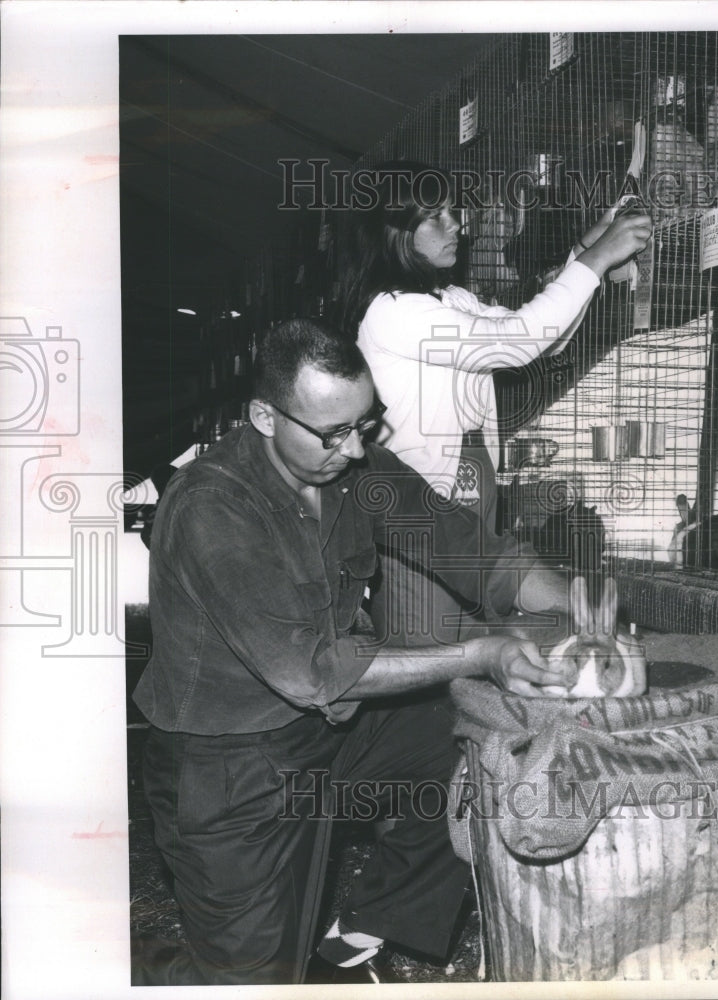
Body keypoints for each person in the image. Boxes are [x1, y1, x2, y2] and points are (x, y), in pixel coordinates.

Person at [131, 317, 578, 987]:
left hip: (326, 738)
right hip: (228, 769)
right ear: (263, 416)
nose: (356, 448)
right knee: (253, 979)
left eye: (365, 424)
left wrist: (575, 602)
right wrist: (481, 651)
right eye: (333, 432)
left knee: (483, 736)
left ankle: (363, 934)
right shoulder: (213, 508)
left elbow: (468, 548)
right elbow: (314, 673)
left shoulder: (350, 473)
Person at [334, 160, 652, 647]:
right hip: (419, 503)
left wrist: (582, 256)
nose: (456, 223)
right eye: (435, 216)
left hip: (473, 477)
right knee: (426, 641)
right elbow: (515, 341)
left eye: (452, 211)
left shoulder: (450, 299)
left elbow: (545, 339)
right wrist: (595, 263)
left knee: (466, 634)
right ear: (394, 232)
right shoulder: (391, 311)